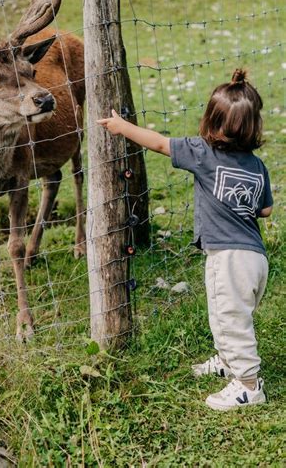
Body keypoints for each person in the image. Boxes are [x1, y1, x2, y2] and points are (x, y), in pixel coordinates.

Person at [97, 69, 273, 411]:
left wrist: (122, 128)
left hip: (229, 257)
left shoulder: (203, 153)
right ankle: (227, 362)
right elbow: (265, 210)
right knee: (232, 315)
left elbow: (160, 143)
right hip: (255, 257)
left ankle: (249, 385)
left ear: (211, 121)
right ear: (253, 127)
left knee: (229, 318)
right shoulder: (257, 166)